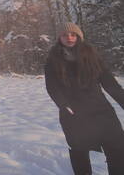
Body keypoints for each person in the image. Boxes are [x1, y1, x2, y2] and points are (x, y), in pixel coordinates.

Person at [44, 22, 124, 175]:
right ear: (59, 38)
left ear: (79, 37)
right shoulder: (53, 60)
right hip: (74, 113)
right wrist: (63, 104)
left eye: (73, 34)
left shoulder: (92, 56)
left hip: (101, 110)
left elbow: (109, 82)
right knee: (79, 151)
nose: (69, 37)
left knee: (118, 149)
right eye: (65, 35)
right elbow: (52, 87)